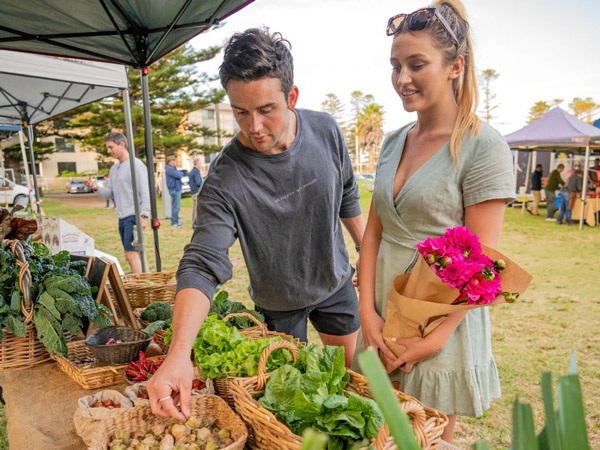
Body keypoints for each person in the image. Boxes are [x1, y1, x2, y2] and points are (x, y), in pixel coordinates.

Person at [147, 28, 364, 421]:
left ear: (292, 97)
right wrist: (177, 354)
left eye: (266, 109)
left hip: (335, 284)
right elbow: (202, 262)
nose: (254, 126)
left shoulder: (326, 130)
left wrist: (366, 250)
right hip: (278, 303)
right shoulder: (225, 176)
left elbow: (347, 192)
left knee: (355, 383)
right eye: (241, 112)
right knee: (292, 409)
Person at [353, 1, 515, 443]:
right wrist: (367, 313)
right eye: (396, 66)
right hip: (381, 315)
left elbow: (483, 265)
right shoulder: (392, 142)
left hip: (438, 325)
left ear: (454, 66)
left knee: (426, 439)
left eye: (416, 64)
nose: (402, 79)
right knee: (377, 435)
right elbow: (373, 234)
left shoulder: (483, 147)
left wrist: (436, 339)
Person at [86, 131, 150, 273]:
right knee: (137, 253)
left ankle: (140, 288)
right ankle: (148, 284)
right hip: (122, 217)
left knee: (130, 254)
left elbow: (146, 193)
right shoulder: (114, 168)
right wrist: (96, 188)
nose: (109, 151)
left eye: (111, 147)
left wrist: (144, 216)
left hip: (133, 216)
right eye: (107, 148)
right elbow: (109, 193)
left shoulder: (136, 165)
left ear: (122, 144)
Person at [165, 155, 183, 227]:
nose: (176, 162)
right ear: (171, 162)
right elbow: (179, 175)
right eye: (175, 161)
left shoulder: (172, 168)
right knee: (175, 206)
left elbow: (179, 174)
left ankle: (176, 221)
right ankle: (174, 222)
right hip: (175, 189)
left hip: (176, 189)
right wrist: (180, 173)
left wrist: (180, 173)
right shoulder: (170, 169)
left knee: (176, 206)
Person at [188, 157, 203, 224]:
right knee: (197, 208)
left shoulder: (191, 172)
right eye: (200, 163)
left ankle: (194, 221)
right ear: (197, 164)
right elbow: (198, 182)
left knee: (194, 208)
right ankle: (196, 223)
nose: (201, 165)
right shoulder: (196, 171)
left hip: (193, 191)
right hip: (197, 192)